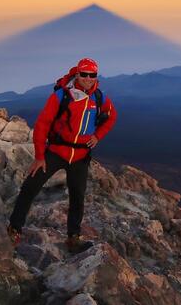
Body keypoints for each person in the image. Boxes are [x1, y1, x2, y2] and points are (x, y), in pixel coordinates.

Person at [7, 58, 117, 253]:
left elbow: (111, 116)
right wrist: (40, 156)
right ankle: (14, 229)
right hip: (57, 151)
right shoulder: (61, 96)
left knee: (77, 196)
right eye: (84, 74)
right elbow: (42, 125)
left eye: (93, 75)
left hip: (81, 156)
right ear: (77, 74)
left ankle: (73, 237)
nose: (88, 79)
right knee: (30, 187)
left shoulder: (99, 98)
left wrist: (98, 136)